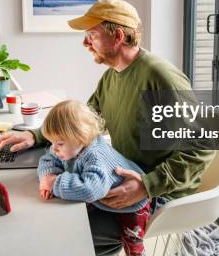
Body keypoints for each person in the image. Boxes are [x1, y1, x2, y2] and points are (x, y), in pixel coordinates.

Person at [0, 0, 216, 255]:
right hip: (120, 177)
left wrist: (147, 185)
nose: (85, 43)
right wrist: (35, 136)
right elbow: (80, 124)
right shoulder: (113, 76)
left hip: (158, 194)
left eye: (91, 35)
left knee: (58, 233)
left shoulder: (161, 78)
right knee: (50, 217)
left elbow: (202, 146)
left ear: (118, 36)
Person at [37, 100, 150, 256]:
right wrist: (48, 175)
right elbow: (48, 159)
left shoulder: (95, 156)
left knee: (132, 241)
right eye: (52, 142)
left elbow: (90, 190)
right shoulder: (68, 146)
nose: (55, 148)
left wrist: (56, 184)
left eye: (59, 143)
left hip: (133, 201)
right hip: (104, 194)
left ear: (80, 138)